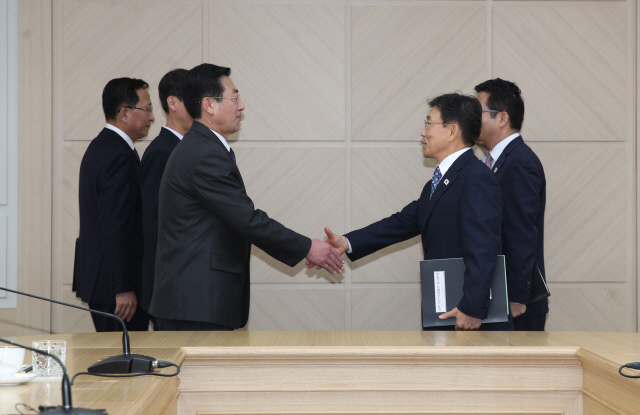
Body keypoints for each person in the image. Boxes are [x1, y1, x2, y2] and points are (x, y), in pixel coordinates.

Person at [148, 63, 344, 331]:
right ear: (209, 104)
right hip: (196, 303)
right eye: (235, 97)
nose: (241, 106)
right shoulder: (204, 153)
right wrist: (308, 247)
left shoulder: (201, 147)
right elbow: (247, 220)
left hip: (195, 302)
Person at [318, 93, 511, 331]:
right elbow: (402, 222)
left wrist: (472, 308)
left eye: (429, 123)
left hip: (469, 318)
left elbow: (484, 248)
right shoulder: (438, 183)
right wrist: (347, 242)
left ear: (452, 131)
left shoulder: (477, 179)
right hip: (448, 309)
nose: (423, 132)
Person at [73, 77, 154, 332]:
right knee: (124, 363)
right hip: (115, 290)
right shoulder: (116, 155)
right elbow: (114, 225)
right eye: (148, 109)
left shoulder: (106, 147)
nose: (152, 117)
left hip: (105, 281)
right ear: (125, 113)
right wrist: (122, 287)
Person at [474, 78, 548, 331]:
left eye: (477, 111)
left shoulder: (519, 162)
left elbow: (522, 232)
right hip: (500, 298)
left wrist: (517, 295)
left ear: (502, 118)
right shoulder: (495, 161)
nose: (470, 119)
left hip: (517, 305)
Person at [139, 69, 193, 326]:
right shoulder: (162, 152)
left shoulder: (185, 149)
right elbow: (153, 224)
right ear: (173, 103)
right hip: (169, 287)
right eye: (193, 98)